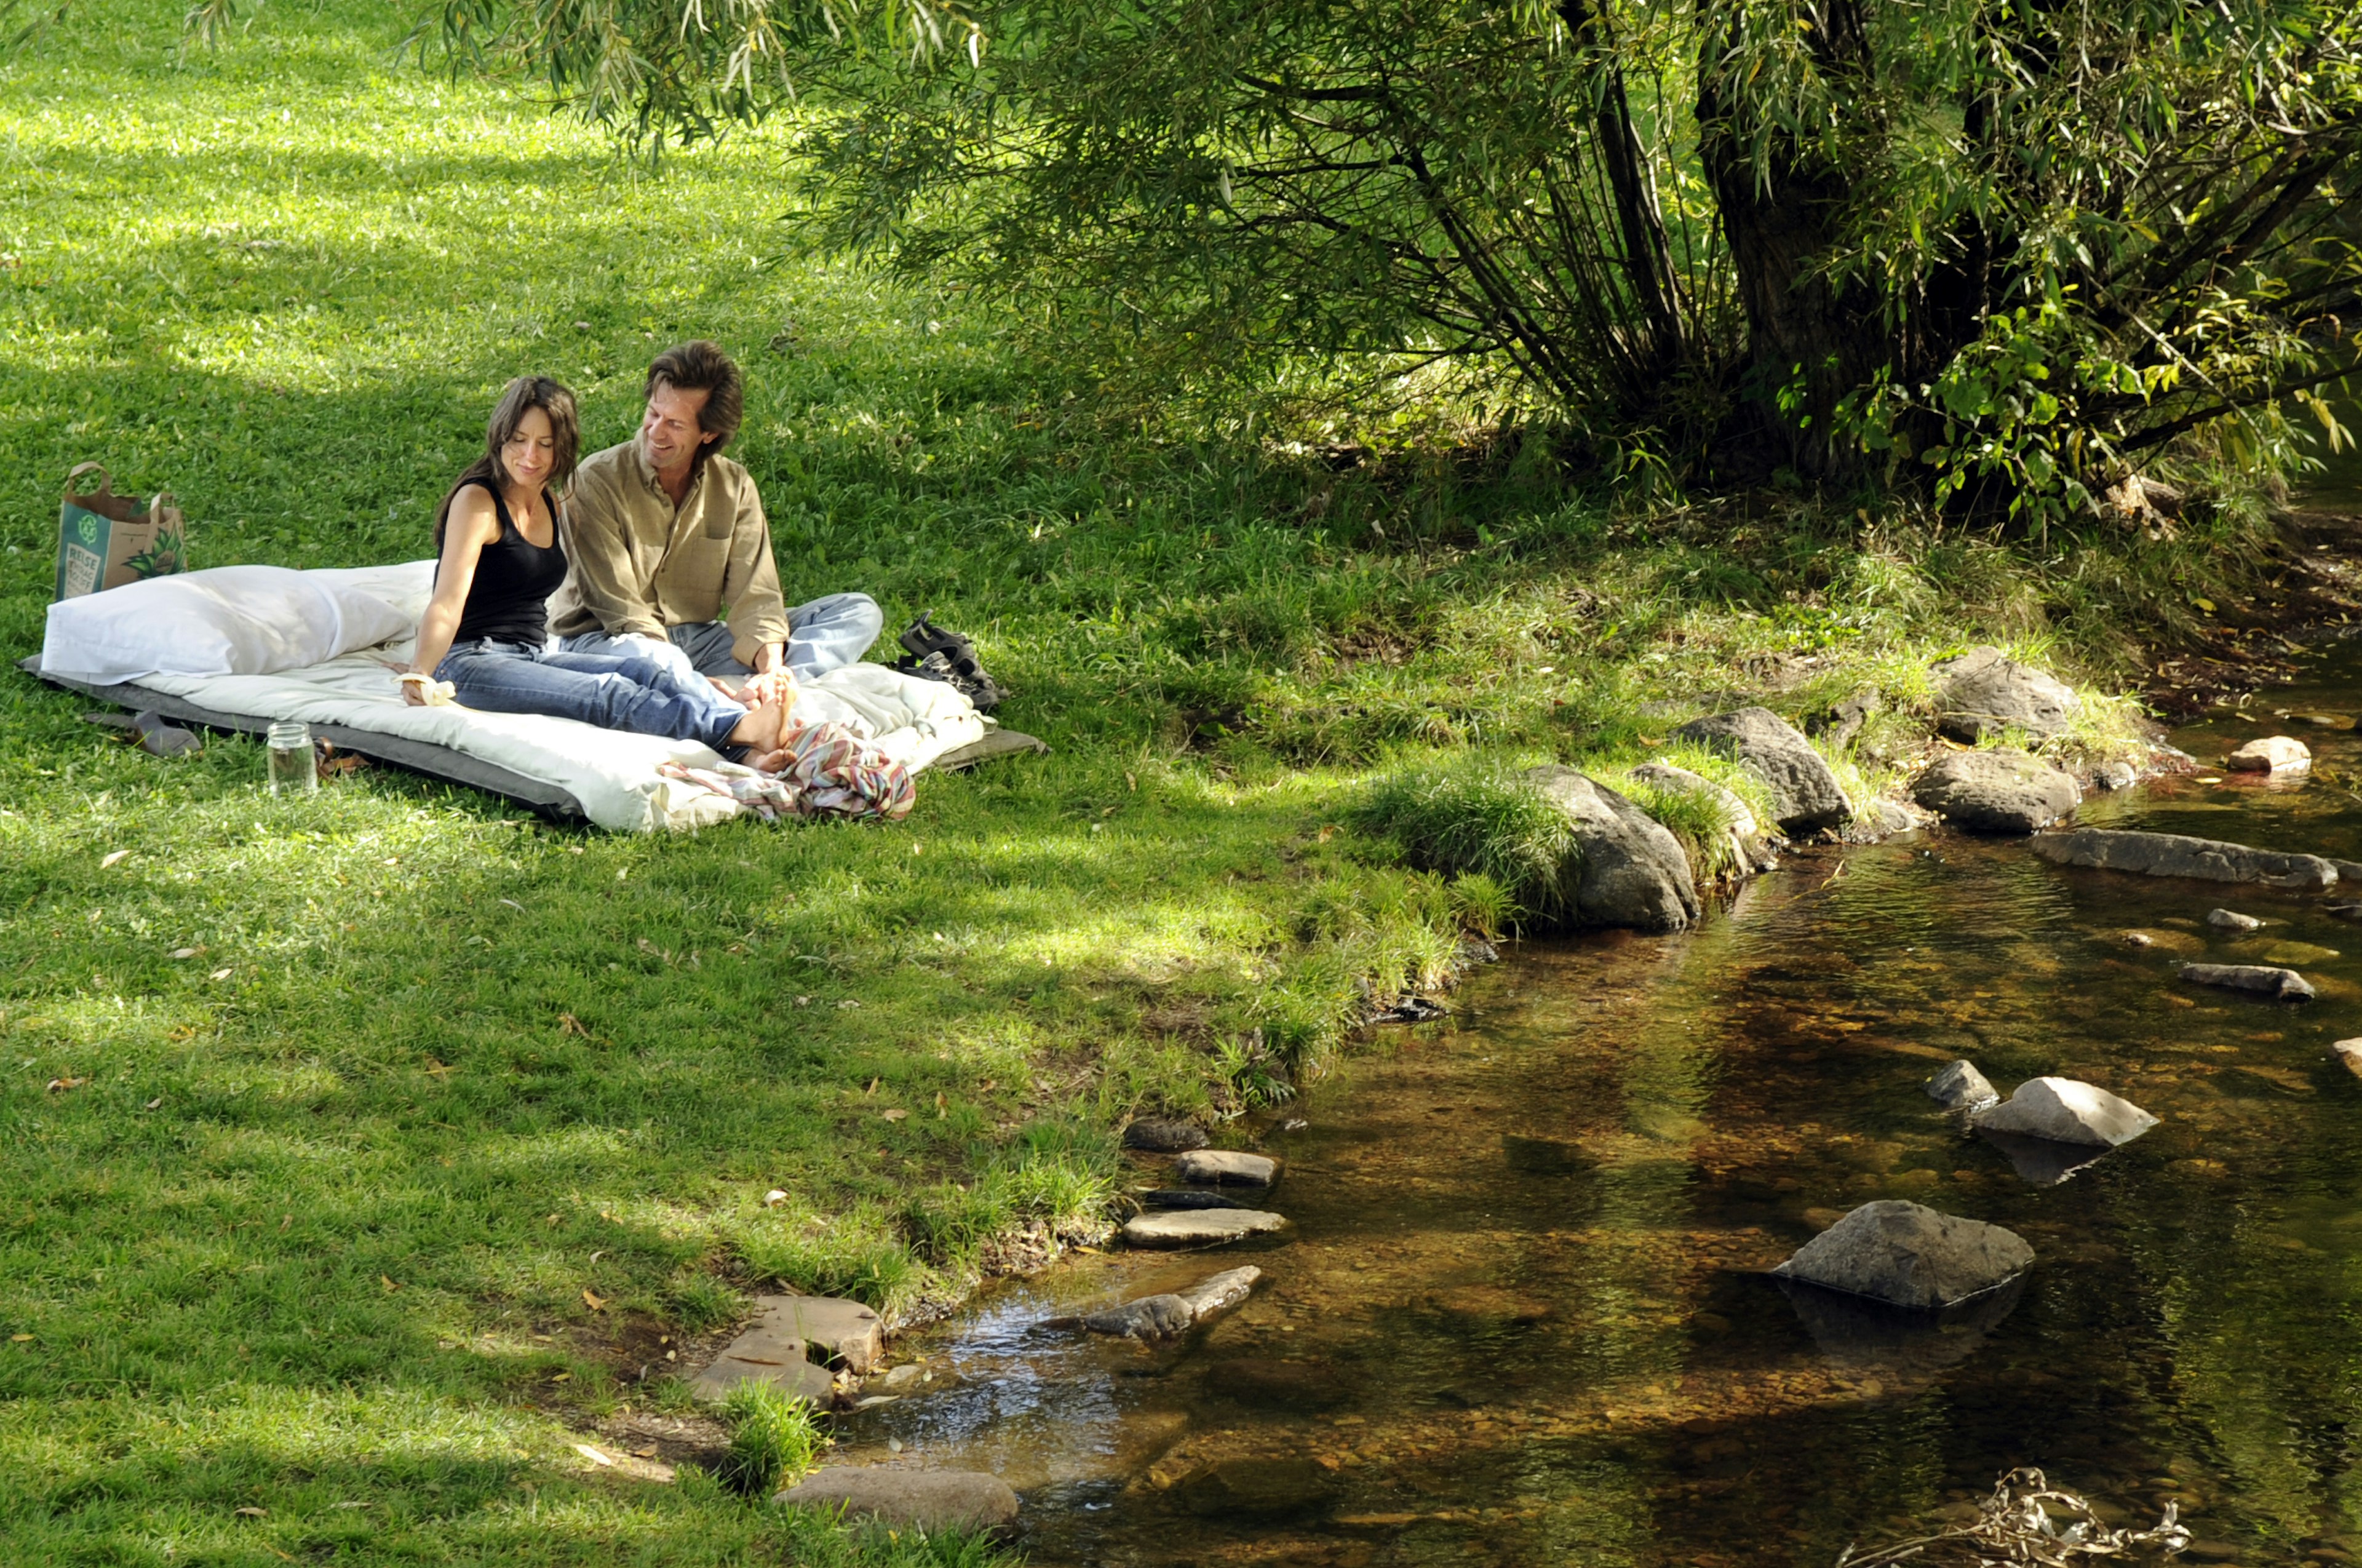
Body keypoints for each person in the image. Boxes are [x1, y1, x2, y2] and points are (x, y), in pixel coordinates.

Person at [399, 375, 792, 760]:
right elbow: (447, 602)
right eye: (518, 440)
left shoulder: (551, 504)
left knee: (647, 673)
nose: (530, 456)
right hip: (469, 664)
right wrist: (420, 671)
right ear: (500, 436)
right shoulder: (477, 501)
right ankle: (742, 729)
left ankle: (748, 748)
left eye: (545, 444)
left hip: (532, 655)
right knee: (607, 694)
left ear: (562, 449)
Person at [550, 340, 882, 708]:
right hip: (609, 641)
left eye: (675, 424)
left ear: (708, 434)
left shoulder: (734, 487)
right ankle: (721, 705)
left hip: (699, 641)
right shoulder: (594, 482)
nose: (656, 432)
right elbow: (621, 610)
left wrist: (770, 665)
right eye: (653, 413)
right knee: (653, 659)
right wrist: (679, 671)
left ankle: (766, 693)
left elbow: (757, 594)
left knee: (859, 611)